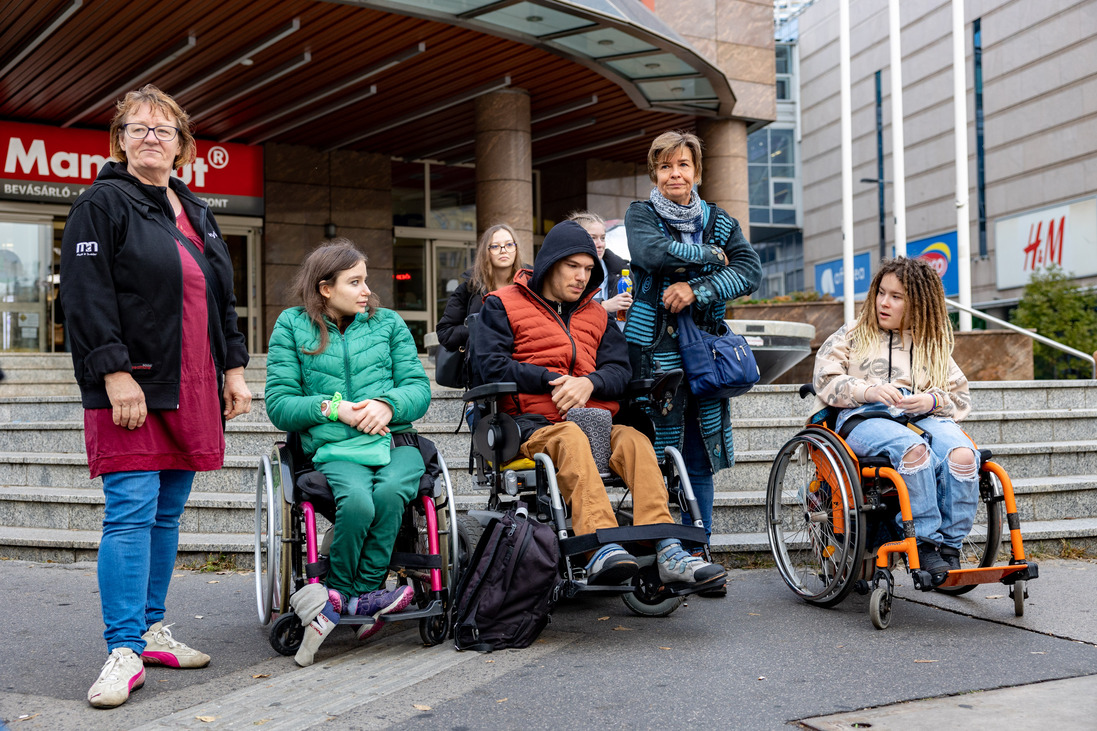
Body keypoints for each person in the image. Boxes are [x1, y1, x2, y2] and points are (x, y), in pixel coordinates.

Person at [59, 84, 252, 709]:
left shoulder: (197, 209)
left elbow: (221, 299)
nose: (150, 136)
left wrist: (234, 369)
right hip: (134, 382)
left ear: (183, 145)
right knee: (131, 510)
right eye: (137, 127)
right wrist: (115, 373)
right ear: (120, 140)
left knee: (167, 513)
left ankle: (149, 627)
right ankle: (122, 647)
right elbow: (85, 298)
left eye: (162, 129)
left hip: (193, 381)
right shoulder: (101, 205)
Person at [475, 220, 726, 589]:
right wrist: (549, 379)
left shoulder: (596, 314)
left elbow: (620, 371)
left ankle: (669, 547)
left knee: (636, 442)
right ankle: (602, 547)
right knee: (570, 438)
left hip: (597, 422)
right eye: (572, 267)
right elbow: (488, 365)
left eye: (589, 269)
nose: (582, 277)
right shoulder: (502, 304)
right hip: (531, 425)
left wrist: (588, 382)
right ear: (550, 264)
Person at [264, 240, 431, 666]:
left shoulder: (388, 324)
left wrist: (388, 405)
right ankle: (352, 595)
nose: (365, 290)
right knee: (357, 500)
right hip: (335, 445)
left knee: (392, 491)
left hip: (395, 440)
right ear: (324, 287)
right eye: (354, 282)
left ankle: (350, 597)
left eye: (365, 280)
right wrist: (331, 407)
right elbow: (279, 404)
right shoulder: (291, 325)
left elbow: (419, 389)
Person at [623, 130, 762, 578]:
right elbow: (651, 252)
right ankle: (667, 552)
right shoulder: (640, 213)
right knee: (660, 454)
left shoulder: (719, 218)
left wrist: (697, 288)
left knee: (700, 457)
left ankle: (699, 553)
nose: (674, 174)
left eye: (683, 165)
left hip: (706, 355)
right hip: (651, 355)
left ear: (697, 172)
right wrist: (709, 255)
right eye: (665, 166)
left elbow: (750, 270)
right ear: (655, 173)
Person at [813, 257, 977, 579]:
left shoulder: (932, 343)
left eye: (896, 297)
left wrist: (931, 399)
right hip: (864, 417)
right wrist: (867, 391)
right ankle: (925, 543)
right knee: (913, 450)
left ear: (918, 303)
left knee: (962, 455)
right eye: (881, 293)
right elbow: (824, 379)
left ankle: (950, 548)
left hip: (921, 417)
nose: (883, 303)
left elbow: (960, 398)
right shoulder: (853, 334)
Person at [436, 223, 523, 379]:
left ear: (516, 248)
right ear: (486, 252)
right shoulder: (470, 288)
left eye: (509, 244)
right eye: (495, 246)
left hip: (523, 367)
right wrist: (479, 330)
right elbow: (445, 332)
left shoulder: (530, 283)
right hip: (481, 374)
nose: (503, 250)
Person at [567, 211, 632, 322]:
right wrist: (603, 306)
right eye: (593, 238)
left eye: (602, 238)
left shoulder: (623, 269)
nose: (600, 244)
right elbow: (564, 309)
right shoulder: (565, 272)